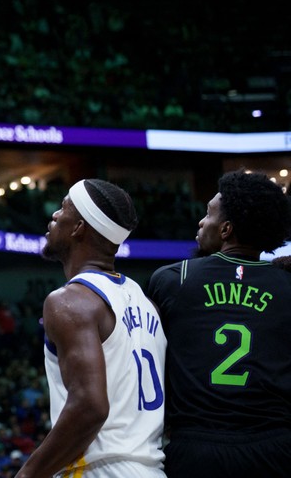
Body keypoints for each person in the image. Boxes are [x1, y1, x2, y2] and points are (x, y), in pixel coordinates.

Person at [16, 178, 167, 478]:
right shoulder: (147, 303)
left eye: (63, 208)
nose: (55, 215)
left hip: (99, 469)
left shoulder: (70, 300)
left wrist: (27, 474)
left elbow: (90, 406)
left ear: (78, 228)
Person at [146, 170, 291, 478]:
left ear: (226, 230)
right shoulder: (286, 284)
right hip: (275, 448)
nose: (201, 221)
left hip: (196, 447)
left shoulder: (174, 279)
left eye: (209, 214)